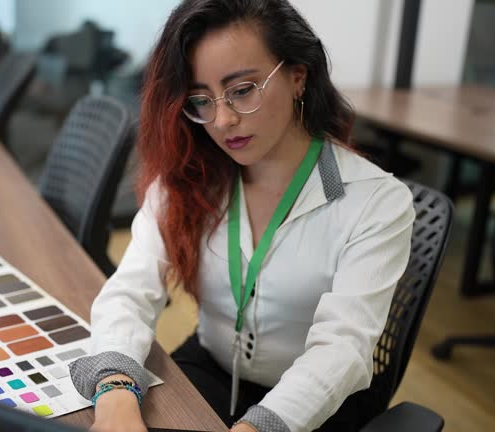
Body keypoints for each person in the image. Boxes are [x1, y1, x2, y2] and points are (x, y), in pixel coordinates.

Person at [68, 1, 415, 432]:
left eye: (243, 90)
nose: (224, 119)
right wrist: (115, 393)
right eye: (201, 100)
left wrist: (258, 427)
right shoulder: (189, 179)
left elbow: (342, 350)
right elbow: (129, 292)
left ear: (297, 77)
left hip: (319, 403)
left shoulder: (376, 202)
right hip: (212, 369)